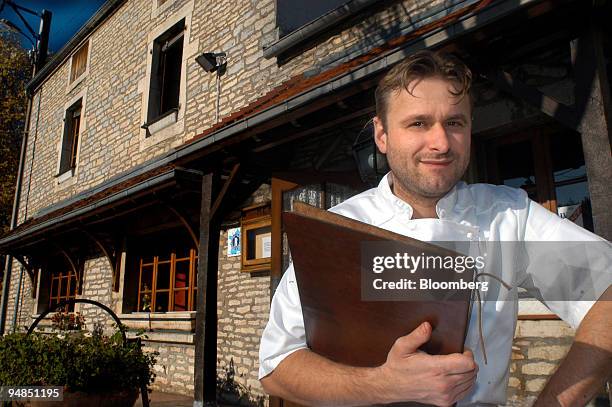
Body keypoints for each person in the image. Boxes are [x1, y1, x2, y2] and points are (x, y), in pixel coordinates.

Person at [258, 50, 612, 406]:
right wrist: (381, 384)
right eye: (418, 123)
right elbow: (277, 367)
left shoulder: (508, 214)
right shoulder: (341, 226)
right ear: (382, 135)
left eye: (455, 123)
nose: (441, 143)